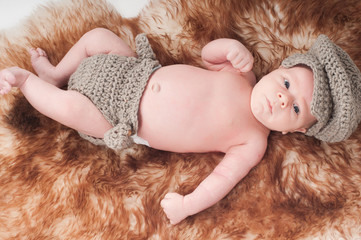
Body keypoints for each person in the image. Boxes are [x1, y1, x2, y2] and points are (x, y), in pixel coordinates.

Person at [0, 28, 360, 224]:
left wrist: (188, 205)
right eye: (285, 84)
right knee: (98, 37)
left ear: (294, 131)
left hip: (119, 118)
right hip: (134, 69)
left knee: (69, 107)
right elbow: (207, 56)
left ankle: (29, 82)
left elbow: (220, 181)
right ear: (278, 69)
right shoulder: (243, 73)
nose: (282, 99)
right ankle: (56, 71)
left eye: (295, 108)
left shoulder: (252, 142)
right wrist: (231, 48)